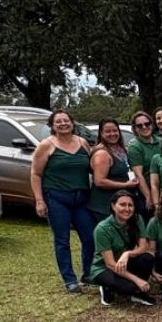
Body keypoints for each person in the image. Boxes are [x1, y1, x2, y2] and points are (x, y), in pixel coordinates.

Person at [30, 109, 96, 293]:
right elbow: (35, 174)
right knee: (62, 240)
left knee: (90, 238)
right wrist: (39, 200)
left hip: (81, 198)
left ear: (72, 123)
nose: (63, 124)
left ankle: (88, 274)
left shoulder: (83, 143)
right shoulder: (47, 145)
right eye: (58, 121)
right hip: (57, 198)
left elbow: (93, 168)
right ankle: (70, 280)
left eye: (66, 120)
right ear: (52, 126)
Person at [88, 190, 156, 306]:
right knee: (130, 287)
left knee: (147, 258)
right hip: (104, 268)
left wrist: (127, 254)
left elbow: (143, 247)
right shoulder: (102, 229)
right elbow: (110, 264)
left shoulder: (137, 219)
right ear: (113, 206)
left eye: (130, 205)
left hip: (124, 263)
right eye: (122, 205)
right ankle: (107, 287)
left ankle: (136, 293)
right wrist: (137, 280)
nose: (127, 209)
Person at [88, 118, 139, 223]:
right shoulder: (102, 154)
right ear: (101, 133)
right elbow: (99, 181)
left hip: (121, 206)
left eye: (115, 130)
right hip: (105, 207)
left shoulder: (120, 148)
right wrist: (125, 185)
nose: (112, 134)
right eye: (108, 131)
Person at [127, 111, 161, 216]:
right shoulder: (135, 147)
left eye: (147, 124)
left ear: (152, 124)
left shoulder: (161, 141)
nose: (144, 127)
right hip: (148, 189)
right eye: (139, 125)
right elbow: (138, 174)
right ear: (135, 128)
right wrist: (148, 196)